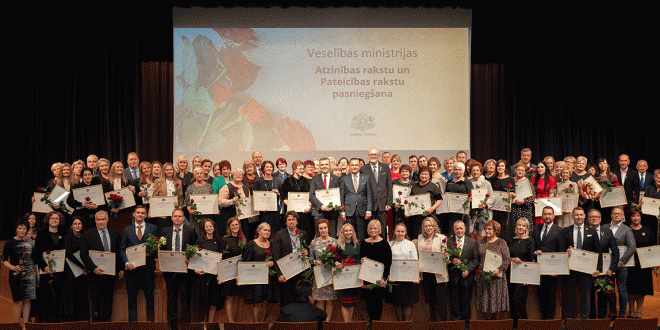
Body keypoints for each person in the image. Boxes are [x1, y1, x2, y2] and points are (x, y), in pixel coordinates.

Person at [80, 210, 123, 322]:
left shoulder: (115, 232)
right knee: (95, 303)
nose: (100, 222)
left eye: (103, 219)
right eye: (98, 220)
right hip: (95, 275)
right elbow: (83, 254)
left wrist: (121, 268)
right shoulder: (87, 234)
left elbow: (119, 251)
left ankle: (106, 324)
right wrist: (93, 268)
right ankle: (96, 326)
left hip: (111, 274)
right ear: (95, 220)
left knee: (108, 302)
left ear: (107, 219)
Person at [558, 207, 599, 320]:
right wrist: (567, 252)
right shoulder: (565, 231)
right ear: (572, 216)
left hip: (587, 270)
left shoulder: (592, 231)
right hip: (570, 269)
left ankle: (584, 320)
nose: (579, 217)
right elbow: (561, 250)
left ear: (584, 216)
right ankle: (569, 321)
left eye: (581, 215)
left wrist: (598, 268)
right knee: (569, 296)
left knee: (585, 296)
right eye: (576, 215)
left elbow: (597, 251)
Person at [160, 208, 197, 329]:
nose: (177, 218)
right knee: (171, 298)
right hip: (170, 271)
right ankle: (173, 325)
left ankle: (185, 324)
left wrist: (189, 257)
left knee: (185, 298)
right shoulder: (165, 231)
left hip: (185, 270)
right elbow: (161, 250)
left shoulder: (190, 230)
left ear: (183, 218)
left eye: (180, 216)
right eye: (175, 216)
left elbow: (196, 247)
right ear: (171, 218)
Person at [120, 205, 157, 322]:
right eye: (138, 213)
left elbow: (157, 247)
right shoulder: (127, 229)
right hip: (132, 269)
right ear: (134, 214)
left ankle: (151, 324)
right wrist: (126, 263)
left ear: (146, 215)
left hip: (148, 268)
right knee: (132, 299)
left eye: (142, 213)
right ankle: (133, 325)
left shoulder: (153, 228)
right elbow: (122, 249)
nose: (140, 215)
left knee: (150, 298)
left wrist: (149, 253)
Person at [32, 210, 67, 322]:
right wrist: (44, 266)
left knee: (59, 295)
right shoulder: (41, 234)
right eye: (52, 218)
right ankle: (45, 320)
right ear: (48, 220)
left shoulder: (64, 233)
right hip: (46, 271)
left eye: (57, 218)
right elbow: (36, 253)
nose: (54, 220)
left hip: (60, 271)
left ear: (60, 220)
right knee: (46, 295)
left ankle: (56, 319)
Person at [2, 220, 37, 329]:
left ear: (27, 230)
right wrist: (13, 267)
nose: (22, 231)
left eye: (24, 228)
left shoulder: (32, 242)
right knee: (18, 301)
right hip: (16, 276)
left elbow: (36, 258)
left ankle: (25, 326)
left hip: (30, 275)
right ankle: (16, 325)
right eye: (19, 228)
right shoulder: (9, 243)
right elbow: (3, 260)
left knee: (27, 300)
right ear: (16, 229)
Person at [602, 206, 636, 319]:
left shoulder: (627, 229)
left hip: (622, 266)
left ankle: (622, 313)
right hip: (607, 264)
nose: (617, 215)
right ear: (611, 215)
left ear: (623, 216)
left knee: (622, 290)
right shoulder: (604, 227)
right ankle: (613, 312)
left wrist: (621, 261)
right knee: (609, 289)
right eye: (614, 213)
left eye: (619, 214)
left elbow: (632, 247)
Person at [242, 222, 279, 322]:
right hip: (256, 279)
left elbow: (277, 260)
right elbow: (245, 262)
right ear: (259, 231)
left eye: (269, 230)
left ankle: (262, 324)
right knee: (257, 302)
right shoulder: (251, 244)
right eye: (265, 230)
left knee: (266, 302)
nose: (267, 232)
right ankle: (256, 324)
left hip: (268, 278)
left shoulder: (272, 245)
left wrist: (273, 263)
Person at [272, 211, 311, 307]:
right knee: (286, 299)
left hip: (301, 271)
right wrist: (279, 274)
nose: (291, 222)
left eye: (293, 219)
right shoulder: (279, 235)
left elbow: (308, 250)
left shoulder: (303, 234)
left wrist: (307, 252)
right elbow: (276, 256)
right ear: (286, 222)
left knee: (301, 299)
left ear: (297, 221)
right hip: (286, 273)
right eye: (289, 220)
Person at [475, 220, 511, 319]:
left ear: (495, 230)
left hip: (497, 278)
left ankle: (496, 324)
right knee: (485, 303)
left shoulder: (501, 242)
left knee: (497, 303)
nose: (487, 231)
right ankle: (488, 324)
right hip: (484, 277)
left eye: (490, 229)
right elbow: (478, 258)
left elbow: (507, 259)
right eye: (486, 229)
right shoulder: (481, 242)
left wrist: (499, 269)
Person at [532, 206, 563, 320]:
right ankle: (543, 320)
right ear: (542, 215)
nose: (547, 216)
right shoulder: (536, 229)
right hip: (539, 269)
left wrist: (557, 271)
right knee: (541, 296)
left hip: (552, 271)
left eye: (550, 214)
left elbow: (561, 251)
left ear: (553, 216)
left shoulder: (559, 230)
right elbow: (533, 247)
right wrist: (535, 252)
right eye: (545, 214)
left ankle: (550, 321)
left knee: (551, 296)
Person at [587, 209, 619, 319]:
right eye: (591, 217)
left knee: (603, 297)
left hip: (604, 271)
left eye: (596, 216)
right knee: (589, 297)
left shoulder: (608, 232)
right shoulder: (584, 232)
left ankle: (602, 320)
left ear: (600, 219)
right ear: (588, 219)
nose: (594, 218)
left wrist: (611, 268)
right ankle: (591, 319)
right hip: (588, 270)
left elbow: (615, 253)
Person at [359, 220, 392, 322]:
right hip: (367, 279)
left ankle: (376, 323)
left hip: (379, 279)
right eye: (371, 228)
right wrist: (361, 260)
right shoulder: (364, 243)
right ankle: (371, 324)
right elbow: (361, 258)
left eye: (375, 228)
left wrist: (384, 278)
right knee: (369, 303)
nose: (373, 230)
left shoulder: (384, 243)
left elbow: (388, 262)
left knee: (378, 303)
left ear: (379, 230)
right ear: (368, 230)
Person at [191, 219, 222, 323]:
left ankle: (210, 324)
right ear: (204, 228)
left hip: (214, 276)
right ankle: (202, 324)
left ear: (214, 227)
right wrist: (195, 270)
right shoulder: (200, 241)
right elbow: (194, 258)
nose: (209, 228)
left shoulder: (218, 240)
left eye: (211, 226)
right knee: (203, 302)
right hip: (202, 276)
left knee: (213, 302)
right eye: (207, 226)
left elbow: (222, 255)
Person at [60, 217, 89, 322]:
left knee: (82, 293)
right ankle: (71, 316)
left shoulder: (85, 237)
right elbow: (68, 254)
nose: (77, 226)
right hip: (72, 269)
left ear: (82, 225)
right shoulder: (68, 237)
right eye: (75, 224)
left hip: (84, 271)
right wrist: (83, 266)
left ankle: (82, 316)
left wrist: (87, 267)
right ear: (71, 226)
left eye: (79, 223)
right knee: (72, 293)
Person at [627, 208, 654, 319]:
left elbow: (652, 248)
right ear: (630, 217)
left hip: (644, 266)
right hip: (630, 265)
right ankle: (631, 310)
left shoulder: (648, 230)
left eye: (638, 215)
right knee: (631, 289)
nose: (636, 218)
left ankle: (639, 310)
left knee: (641, 289)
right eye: (634, 216)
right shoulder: (626, 230)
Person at [218, 217, 247, 322]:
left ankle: (234, 321)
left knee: (237, 297)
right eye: (232, 225)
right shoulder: (225, 239)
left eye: (236, 224)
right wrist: (219, 274)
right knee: (229, 297)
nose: (235, 227)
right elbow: (221, 256)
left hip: (239, 272)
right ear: (229, 227)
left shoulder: (242, 239)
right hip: (228, 272)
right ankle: (231, 323)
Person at [507, 218, 535, 328]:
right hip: (511, 274)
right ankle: (515, 325)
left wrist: (528, 278)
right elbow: (506, 257)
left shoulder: (530, 241)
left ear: (527, 228)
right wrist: (512, 259)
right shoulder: (510, 240)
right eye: (519, 225)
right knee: (512, 300)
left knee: (518, 299)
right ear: (516, 226)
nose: (521, 227)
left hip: (524, 275)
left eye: (523, 226)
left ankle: (524, 323)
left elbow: (531, 259)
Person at [402, 166, 443, 239]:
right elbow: (408, 200)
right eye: (422, 174)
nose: (423, 176)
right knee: (416, 238)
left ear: (429, 176)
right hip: (415, 218)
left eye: (426, 174)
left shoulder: (433, 186)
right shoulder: (414, 186)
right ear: (419, 175)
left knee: (428, 237)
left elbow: (440, 199)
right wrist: (407, 212)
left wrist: (432, 209)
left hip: (428, 217)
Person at [360, 147, 393, 239]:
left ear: (378, 156)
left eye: (375, 154)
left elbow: (389, 186)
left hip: (383, 204)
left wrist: (389, 203)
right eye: (371, 154)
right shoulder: (363, 169)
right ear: (368, 156)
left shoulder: (385, 167)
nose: (373, 156)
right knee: (370, 230)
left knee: (381, 230)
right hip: (369, 205)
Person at [309, 219, 338, 321]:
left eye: (325, 228)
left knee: (330, 300)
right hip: (319, 275)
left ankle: (328, 321)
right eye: (321, 228)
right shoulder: (314, 242)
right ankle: (320, 321)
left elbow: (338, 259)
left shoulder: (335, 242)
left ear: (328, 228)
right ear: (318, 230)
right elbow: (310, 259)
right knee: (320, 300)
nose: (323, 230)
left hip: (331, 275)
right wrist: (315, 262)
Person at [340, 158, 373, 240]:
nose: (354, 167)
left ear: (359, 166)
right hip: (349, 211)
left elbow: (369, 195)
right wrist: (342, 211)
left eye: (356, 165)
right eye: (352, 165)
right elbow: (342, 196)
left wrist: (369, 210)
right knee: (349, 235)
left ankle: (361, 252)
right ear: (349, 167)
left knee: (361, 235)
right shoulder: (344, 178)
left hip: (362, 211)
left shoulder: (366, 177)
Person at [334, 223, 361, 322]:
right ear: (342, 232)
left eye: (350, 230)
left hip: (354, 275)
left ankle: (350, 323)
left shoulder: (357, 244)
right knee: (345, 301)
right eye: (346, 231)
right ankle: (347, 324)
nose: (348, 232)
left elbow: (358, 260)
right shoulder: (339, 245)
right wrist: (336, 263)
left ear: (353, 232)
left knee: (353, 301)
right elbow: (334, 259)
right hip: (343, 275)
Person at [281, 160, 314, 236]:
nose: (302, 170)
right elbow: (283, 196)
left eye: (303, 168)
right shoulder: (287, 180)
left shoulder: (306, 181)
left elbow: (310, 196)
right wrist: (291, 206)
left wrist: (309, 206)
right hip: (292, 213)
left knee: (304, 232)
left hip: (304, 212)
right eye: (300, 168)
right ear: (294, 170)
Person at [309, 157, 341, 237]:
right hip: (319, 212)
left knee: (332, 236)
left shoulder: (336, 179)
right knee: (319, 236)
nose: (324, 166)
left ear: (330, 165)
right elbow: (311, 194)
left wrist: (333, 206)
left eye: (326, 164)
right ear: (319, 166)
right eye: (322, 165)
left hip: (332, 212)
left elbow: (339, 194)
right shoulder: (315, 178)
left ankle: (332, 250)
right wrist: (321, 206)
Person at [151, 162, 184, 236]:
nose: (169, 171)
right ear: (164, 171)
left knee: (174, 232)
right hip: (163, 212)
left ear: (173, 170)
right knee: (163, 233)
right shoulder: (158, 182)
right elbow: (154, 197)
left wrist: (180, 207)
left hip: (175, 212)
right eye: (167, 170)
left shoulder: (178, 182)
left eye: (170, 169)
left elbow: (180, 197)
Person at [218, 168, 252, 239]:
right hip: (230, 217)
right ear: (232, 176)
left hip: (243, 219)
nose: (238, 176)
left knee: (243, 237)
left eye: (240, 174)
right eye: (236, 174)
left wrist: (250, 213)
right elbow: (220, 201)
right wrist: (232, 201)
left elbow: (248, 202)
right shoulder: (226, 187)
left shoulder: (246, 188)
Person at [442, 162, 472, 236]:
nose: (457, 171)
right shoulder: (449, 182)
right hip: (451, 213)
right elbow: (446, 195)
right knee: (451, 233)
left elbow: (472, 195)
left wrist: (470, 199)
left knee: (462, 234)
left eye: (459, 170)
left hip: (462, 212)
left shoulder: (467, 182)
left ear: (463, 171)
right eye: (455, 169)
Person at [253, 160, 283, 233]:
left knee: (275, 231)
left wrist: (278, 193)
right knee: (264, 231)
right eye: (267, 167)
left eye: (271, 167)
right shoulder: (258, 181)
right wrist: (260, 208)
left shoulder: (277, 180)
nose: (269, 169)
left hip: (275, 211)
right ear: (263, 169)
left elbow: (283, 195)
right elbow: (254, 196)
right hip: (264, 212)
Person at [467, 161, 494, 237]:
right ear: (470, 172)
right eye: (473, 170)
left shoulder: (486, 183)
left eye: (477, 170)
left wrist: (486, 203)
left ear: (481, 172)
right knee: (471, 233)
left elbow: (492, 197)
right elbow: (465, 197)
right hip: (471, 212)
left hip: (484, 211)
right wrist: (468, 200)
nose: (475, 172)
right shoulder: (468, 183)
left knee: (481, 233)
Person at [491, 160, 516, 241]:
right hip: (496, 209)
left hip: (506, 209)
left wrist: (512, 194)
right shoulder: (493, 179)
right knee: (496, 229)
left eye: (502, 166)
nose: (500, 168)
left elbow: (514, 194)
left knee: (506, 230)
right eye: (498, 166)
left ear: (505, 168)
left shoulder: (510, 179)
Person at [184, 167, 213, 233]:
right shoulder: (190, 187)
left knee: (206, 233)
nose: (199, 175)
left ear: (203, 174)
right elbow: (186, 202)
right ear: (194, 175)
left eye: (201, 173)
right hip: (194, 216)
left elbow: (212, 200)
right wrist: (190, 210)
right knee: (195, 234)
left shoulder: (209, 186)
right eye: (197, 173)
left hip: (206, 215)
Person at [510, 163, 534, 236]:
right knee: (514, 231)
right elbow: (506, 196)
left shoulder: (528, 182)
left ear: (525, 172)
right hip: (513, 210)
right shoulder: (511, 181)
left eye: (522, 170)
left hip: (525, 210)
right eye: (518, 170)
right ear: (515, 171)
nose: (520, 172)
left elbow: (532, 198)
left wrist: (523, 201)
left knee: (524, 231)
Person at [531, 161, 557, 225]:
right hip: (537, 203)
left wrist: (547, 205)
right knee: (537, 224)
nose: (540, 169)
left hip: (547, 203)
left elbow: (552, 195)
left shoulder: (551, 179)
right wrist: (533, 200)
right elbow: (532, 192)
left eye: (542, 167)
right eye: (538, 167)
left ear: (546, 168)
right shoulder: (534, 178)